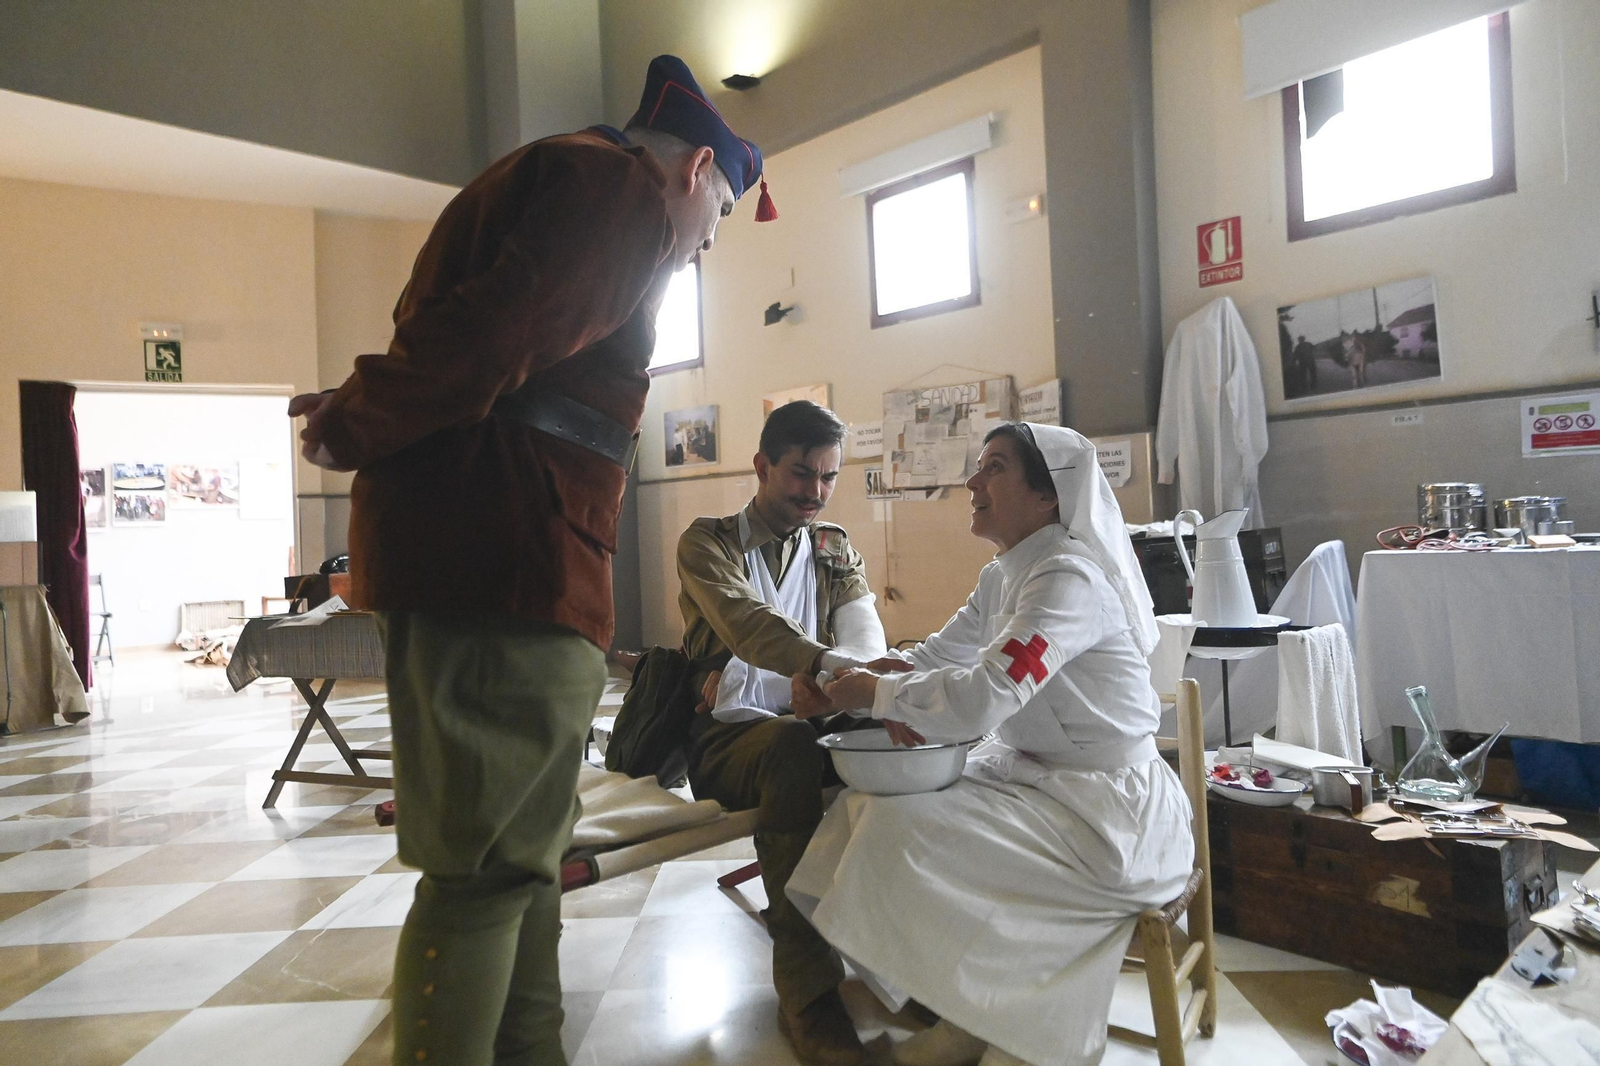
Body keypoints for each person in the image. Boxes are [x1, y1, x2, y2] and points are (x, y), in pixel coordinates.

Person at [289, 55, 773, 1066]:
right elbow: (489, 338)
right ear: (691, 173)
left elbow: (481, 333)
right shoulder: (620, 190)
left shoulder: (569, 177)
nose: (699, 247)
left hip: (509, 563)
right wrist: (352, 421)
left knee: (521, 863)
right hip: (504, 561)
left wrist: (363, 405)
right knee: (480, 878)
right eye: (718, 218)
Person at [785, 422, 1195, 1066]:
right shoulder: (1005, 573)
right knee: (873, 815)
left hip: (1112, 818)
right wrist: (846, 678)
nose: (973, 482)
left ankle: (1005, 1029)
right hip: (1039, 784)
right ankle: (969, 1009)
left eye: (995, 468)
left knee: (912, 834)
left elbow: (988, 694)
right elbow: (933, 657)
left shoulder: (1071, 580)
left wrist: (874, 696)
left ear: (1049, 496)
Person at [676, 400, 891, 1066]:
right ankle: (808, 996)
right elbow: (746, 626)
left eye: (829, 478)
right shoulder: (709, 542)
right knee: (794, 751)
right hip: (726, 740)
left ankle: (909, 963)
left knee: (899, 748)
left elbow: (861, 629)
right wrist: (824, 666)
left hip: (809, 719)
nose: (816, 493)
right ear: (763, 465)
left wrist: (835, 687)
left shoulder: (831, 545)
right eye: (802, 474)